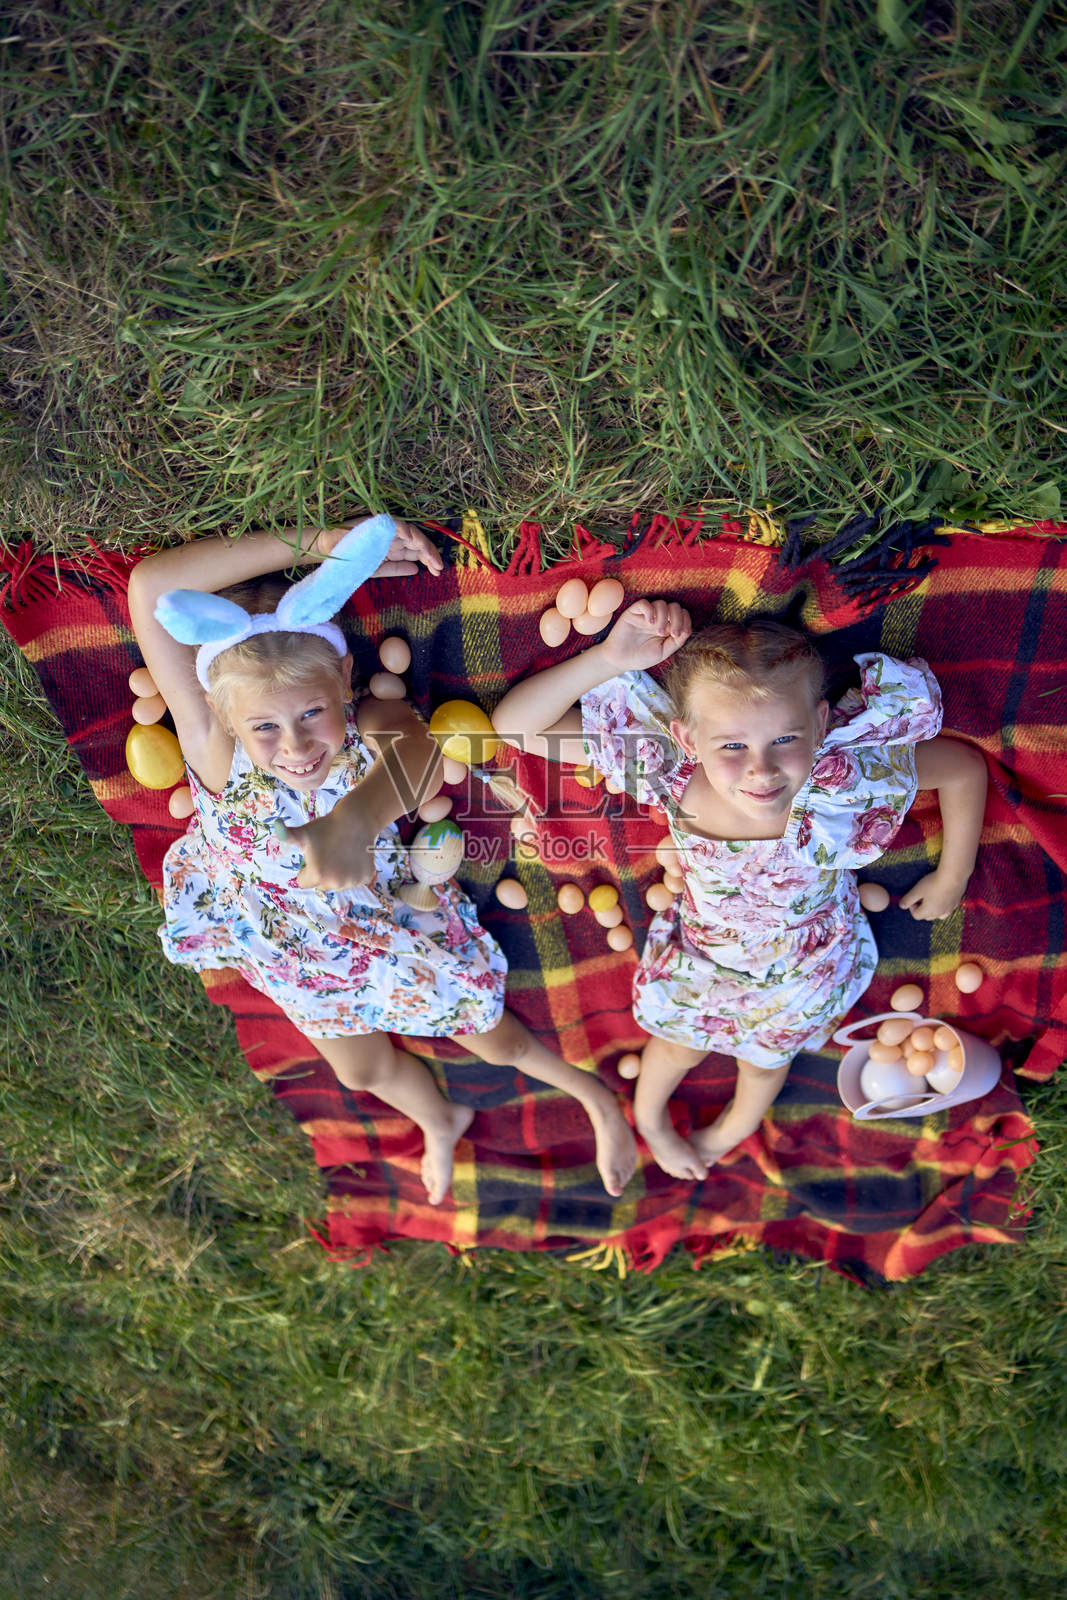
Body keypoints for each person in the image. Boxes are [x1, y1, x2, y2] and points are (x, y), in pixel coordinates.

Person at [127, 517, 637, 1205]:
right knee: (363, 1071)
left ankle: (592, 1097)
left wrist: (353, 819)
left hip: (387, 929)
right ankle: (438, 1117)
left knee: (494, 1037)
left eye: (310, 712)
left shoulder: (369, 726)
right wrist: (327, 544)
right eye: (266, 727)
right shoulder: (215, 748)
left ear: (342, 678)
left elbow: (424, 758)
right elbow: (151, 586)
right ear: (225, 716)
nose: (295, 745)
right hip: (288, 953)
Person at [491, 601, 988, 1182]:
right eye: (732, 746)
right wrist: (607, 659)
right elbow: (516, 727)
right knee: (676, 1045)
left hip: (807, 962)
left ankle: (730, 1130)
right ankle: (648, 1119)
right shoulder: (664, 766)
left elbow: (961, 767)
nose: (762, 769)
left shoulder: (842, 778)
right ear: (687, 737)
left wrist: (952, 874)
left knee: (762, 1065)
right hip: (706, 954)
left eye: (785, 738)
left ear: (822, 724)